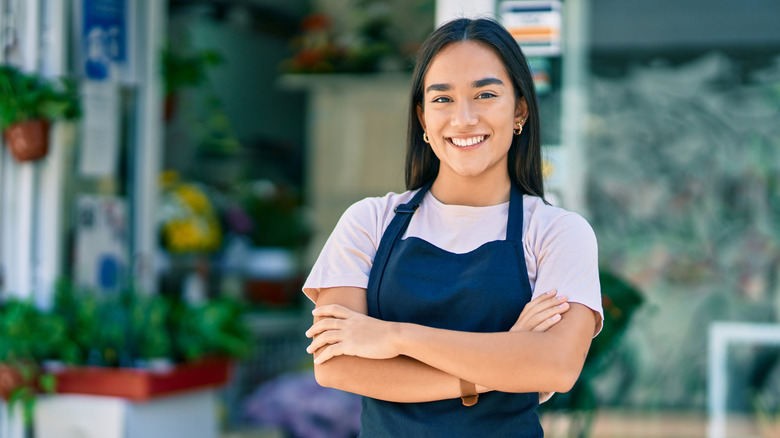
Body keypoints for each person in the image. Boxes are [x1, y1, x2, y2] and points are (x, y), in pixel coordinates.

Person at [302, 17, 603, 437]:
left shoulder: (558, 233)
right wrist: (498, 369)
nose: (464, 118)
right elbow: (336, 365)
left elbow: (555, 366)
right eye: (442, 100)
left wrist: (394, 337)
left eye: (485, 94)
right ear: (422, 118)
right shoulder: (369, 221)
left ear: (519, 110)